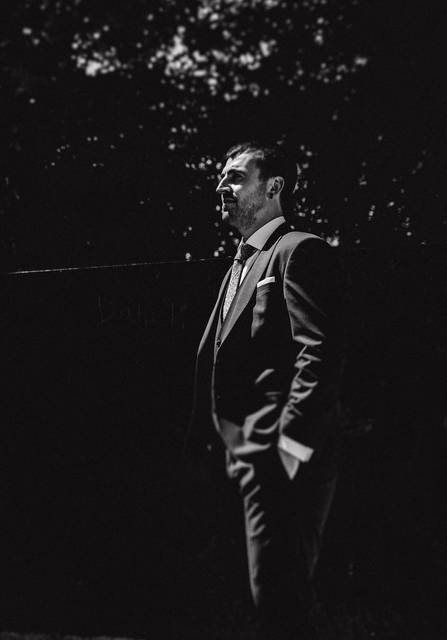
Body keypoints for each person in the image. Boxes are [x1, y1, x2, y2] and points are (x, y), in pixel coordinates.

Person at [192, 141, 342, 639]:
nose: (221, 186)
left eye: (236, 177)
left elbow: (317, 354)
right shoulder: (236, 267)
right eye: (221, 177)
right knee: (265, 600)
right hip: (240, 459)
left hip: (279, 457)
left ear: (273, 186)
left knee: (280, 600)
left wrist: (291, 448)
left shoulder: (298, 250)